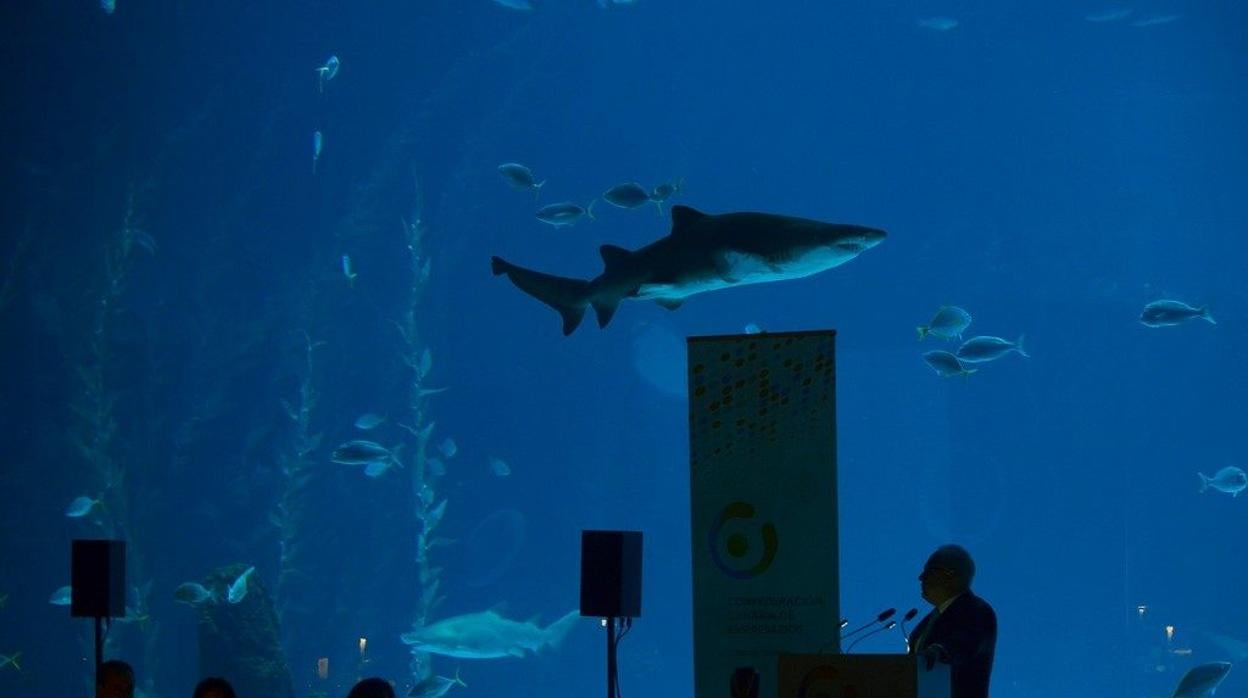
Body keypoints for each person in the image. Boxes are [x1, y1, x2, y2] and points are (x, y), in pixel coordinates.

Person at [907, 544, 996, 698]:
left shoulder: (978, 611)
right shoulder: (925, 624)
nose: (921, 578)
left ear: (949, 575)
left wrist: (939, 650)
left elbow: (966, 642)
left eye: (929, 572)